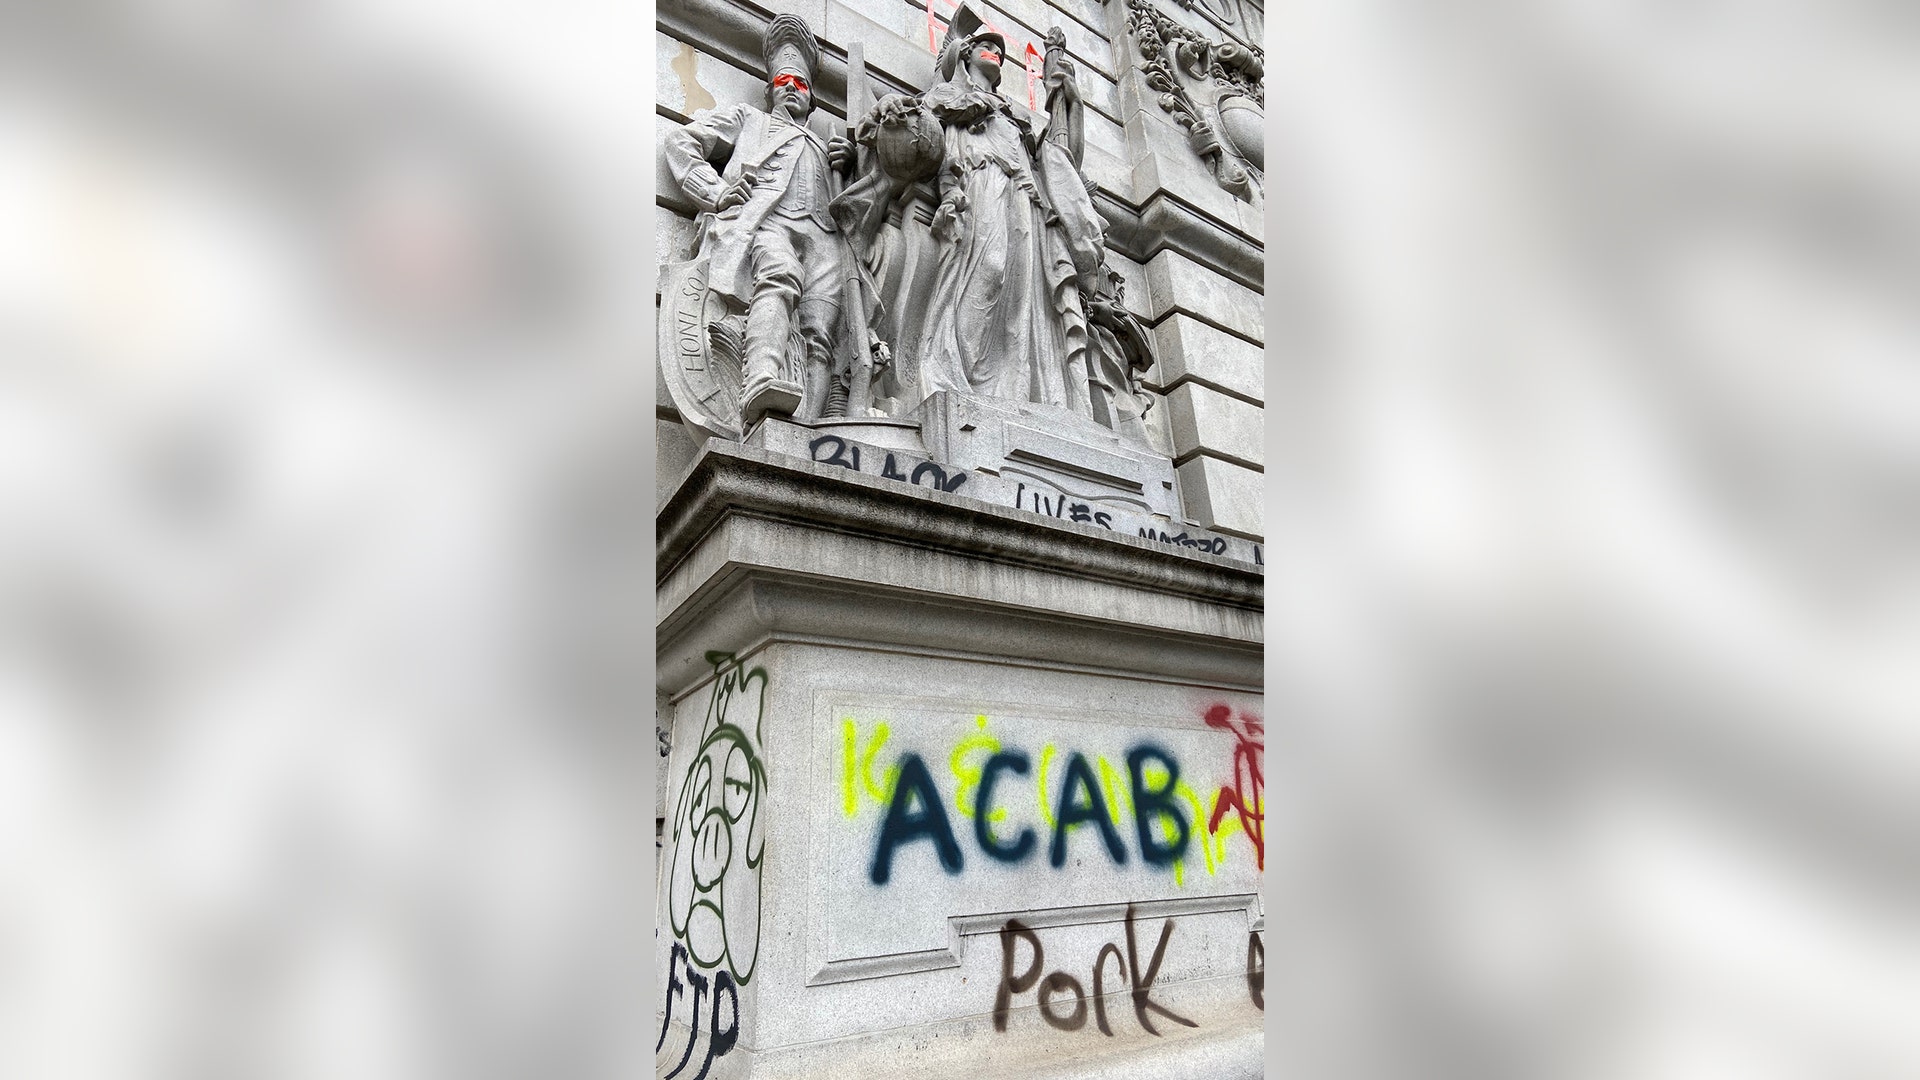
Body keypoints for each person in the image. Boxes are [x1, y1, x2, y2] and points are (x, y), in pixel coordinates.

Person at [909, 5, 1108, 412]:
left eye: (999, 51)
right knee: (990, 268)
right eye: (986, 47)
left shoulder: (1013, 112)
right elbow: (925, 119)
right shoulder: (950, 95)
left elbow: (1056, 156)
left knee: (1022, 297)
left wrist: (1063, 99)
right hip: (980, 181)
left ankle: (1012, 389)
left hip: (1024, 197)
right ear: (965, 53)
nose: (996, 54)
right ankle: (958, 376)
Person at [662, 15, 858, 423]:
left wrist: (852, 166)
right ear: (770, 90)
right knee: (779, 275)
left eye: (801, 84)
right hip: (771, 224)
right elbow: (680, 140)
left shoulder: (827, 147)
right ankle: (761, 377)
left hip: (825, 238)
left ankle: (810, 422)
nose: (791, 87)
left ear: (812, 100)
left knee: (821, 330)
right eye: (784, 81)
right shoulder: (750, 121)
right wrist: (715, 194)